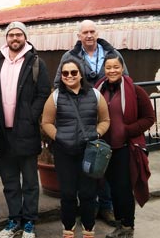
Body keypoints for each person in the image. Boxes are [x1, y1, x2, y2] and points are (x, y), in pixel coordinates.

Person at [53, 19, 127, 225]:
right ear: (78, 36)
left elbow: (125, 80)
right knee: (88, 164)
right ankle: (90, 206)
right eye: (84, 32)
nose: (89, 35)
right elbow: (58, 83)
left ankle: (107, 205)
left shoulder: (113, 55)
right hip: (80, 116)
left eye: (92, 31)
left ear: (97, 33)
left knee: (104, 160)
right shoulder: (69, 57)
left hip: (107, 113)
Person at [0, 22, 51, 238]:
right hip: (2, 133)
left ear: (25, 37)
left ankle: (29, 222)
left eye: (19, 35)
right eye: (11, 35)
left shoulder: (35, 62)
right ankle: (14, 219)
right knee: (10, 182)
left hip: (26, 131)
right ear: (6, 38)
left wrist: (30, 116)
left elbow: (44, 92)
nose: (15, 38)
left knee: (30, 182)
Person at [41, 58, 111, 238]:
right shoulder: (56, 96)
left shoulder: (95, 94)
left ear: (80, 74)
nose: (69, 76)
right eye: (65, 73)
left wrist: (97, 133)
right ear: (61, 76)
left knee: (88, 193)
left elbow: (105, 120)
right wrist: (59, 136)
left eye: (73, 72)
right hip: (65, 152)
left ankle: (88, 229)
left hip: (88, 152)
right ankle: (68, 229)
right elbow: (47, 122)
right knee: (68, 194)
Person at [95, 54, 155, 238]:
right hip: (105, 149)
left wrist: (127, 130)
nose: (112, 71)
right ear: (104, 70)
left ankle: (127, 226)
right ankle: (121, 223)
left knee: (123, 188)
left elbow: (149, 118)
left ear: (122, 69)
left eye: (116, 67)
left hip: (125, 148)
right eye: (108, 67)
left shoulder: (136, 91)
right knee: (112, 188)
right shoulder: (98, 89)